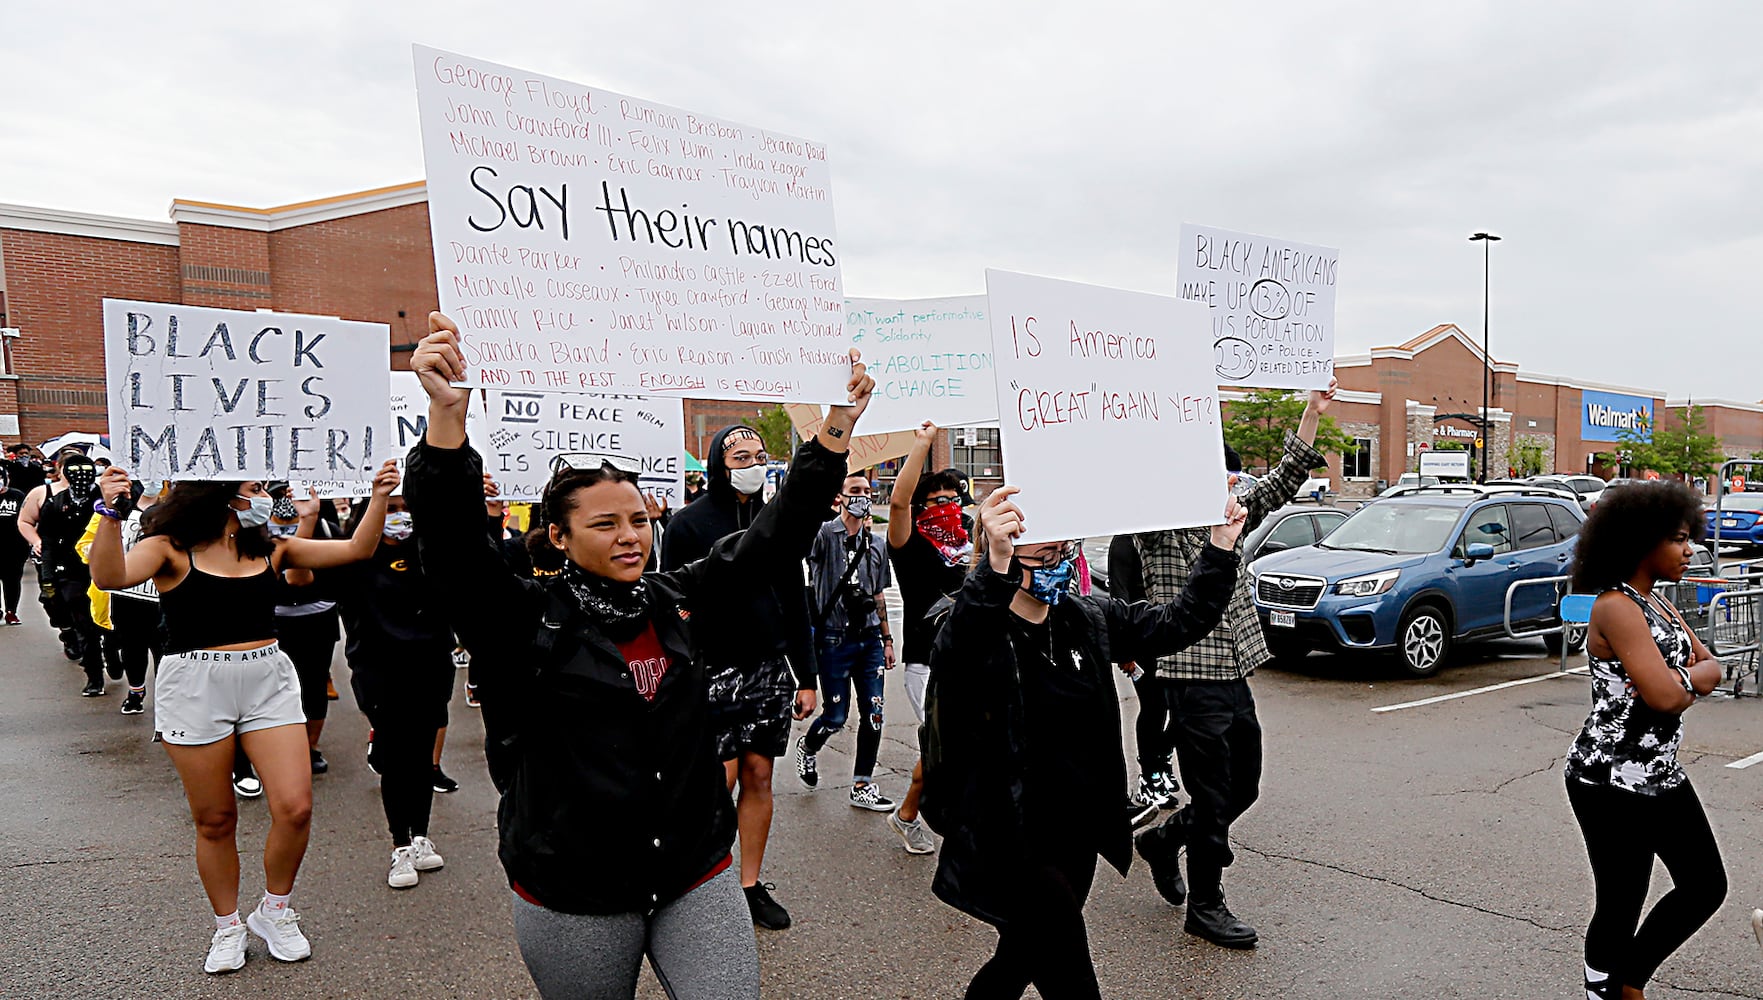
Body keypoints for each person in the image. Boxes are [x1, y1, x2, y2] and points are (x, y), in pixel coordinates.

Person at [401, 313, 871, 1000]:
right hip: (576, 888)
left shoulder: (673, 597)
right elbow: (450, 550)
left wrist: (835, 430)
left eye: (638, 521)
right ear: (557, 537)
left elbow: (774, 537)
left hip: (694, 869)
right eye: (604, 524)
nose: (630, 537)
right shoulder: (522, 619)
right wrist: (446, 423)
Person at [922, 486, 1244, 999]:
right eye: (1042, 555)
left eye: (1063, 552)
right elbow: (961, 649)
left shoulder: (1086, 618)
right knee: (1071, 975)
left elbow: (1176, 623)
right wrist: (996, 566)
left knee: (1022, 955)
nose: (1056, 565)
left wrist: (1220, 549)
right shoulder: (973, 624)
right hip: (1014, 837)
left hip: (1077, 832)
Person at [89, 459, 396, 974]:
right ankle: (227, 924)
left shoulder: (270, 546)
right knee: (215, 819)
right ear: (223, 495)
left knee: (296, 806)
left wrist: (380, 495)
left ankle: (274, 910)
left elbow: (356, 549)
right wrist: (110, 512)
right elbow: (109, 575)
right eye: (253, 488)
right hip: (194, 683)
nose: (264, 496)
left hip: (268, 677)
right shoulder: (169, 547)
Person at [1131, 379, 1336, 948]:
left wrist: (1311, 412)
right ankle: (1206, 904)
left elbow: (1284, 480)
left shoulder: (1229, 514)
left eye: (1227, 475)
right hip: (1190, 676)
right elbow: (1132, 488)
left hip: (1234, 671)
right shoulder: (1161, 526)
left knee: (1244, 786)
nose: (1230, 483)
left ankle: (1163, 838)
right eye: (1215, 473)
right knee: (1215, 796)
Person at [1565, 482, 1727, 1000]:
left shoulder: (1657, 604)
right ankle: (1605, 992)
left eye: (1689, 538)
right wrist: (1683, 680)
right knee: (1621, 900)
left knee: (1705, 886)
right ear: (1640, 540)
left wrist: (1683, 679)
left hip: (1659, 771)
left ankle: (1628, 981)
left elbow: (1711, 667)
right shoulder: (1615, 606)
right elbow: (1661, 696)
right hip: (1607, 776)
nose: (1689, 550)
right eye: (1678, 539)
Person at [659, 423, 818, 930]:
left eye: (758, 455)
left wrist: (807, 675)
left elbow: (796, 603)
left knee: (759, 774)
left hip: (769, 670)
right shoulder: (688, 524)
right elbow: (672, 601)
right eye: (740, 457)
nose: (752, 465)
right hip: (710, 670)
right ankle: (700, 880)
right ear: (718, 466)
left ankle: (749, 886)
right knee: (716, 781)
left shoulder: (780, 524)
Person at [333, 490, 456, 889]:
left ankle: (420, 835)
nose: (398, 517)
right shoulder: (355, 560)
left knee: (423, 760)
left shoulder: (429, 554)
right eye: (390, 508)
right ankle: (399, 844)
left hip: (430, 668)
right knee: (396, 759)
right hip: (381, 672)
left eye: (405, 509)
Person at [883, 422, 972, 855]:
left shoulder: (965, 542)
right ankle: (908, 814)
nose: (950, 506)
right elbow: (899, 501)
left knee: (955, 743)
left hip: (967, 658)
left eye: (955, 499)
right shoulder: (910, 543)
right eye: (940, 500)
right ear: (922, 508)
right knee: (944, 743)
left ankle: (913, 814)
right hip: (926, 662)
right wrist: (921, 445)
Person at [798, 471, 896, 811]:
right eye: (855, 490)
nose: (862, 496)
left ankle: (862, 784)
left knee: (874, 714)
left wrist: (887, 639)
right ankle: (809, 748)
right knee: (836, 716)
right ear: (839, 497)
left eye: (867, 490)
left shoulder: (876, 544)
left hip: (868, 638)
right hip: (834, 639)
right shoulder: (824, 536)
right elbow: (802, 542)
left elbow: (879, 592)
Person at [266, 482, 342, 774]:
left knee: (312, 685)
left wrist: (308, 520)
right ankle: (274, 746)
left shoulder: (325, 529)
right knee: (273, 688)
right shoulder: (254, 530)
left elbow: (300, 579)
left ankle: (309, 747)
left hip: (316, 620)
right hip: (271, 621)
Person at [1106, 533, 1178, 819]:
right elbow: (1119, 597)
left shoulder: (1167, 536)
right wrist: (1124, 649)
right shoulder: (1124, 541)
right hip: (1142, 640)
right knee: (1154, 707)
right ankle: (1149, 776)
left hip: (1170, 633)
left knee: (1182, 708)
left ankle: (1161, 760)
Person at [79, 479, 163, 714]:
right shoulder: (117, 507)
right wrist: (100, 553)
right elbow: (86, 545)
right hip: (127, 594)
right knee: (132, 648)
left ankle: (168, 700)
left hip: (164, 595)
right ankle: (136, 691)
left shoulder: (175, 508)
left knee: (165, 650)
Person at [38, 451, 106, 693]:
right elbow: (47, 541)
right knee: (84, 624)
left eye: (86, 473)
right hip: (70, 571)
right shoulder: (54, 505)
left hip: (103, 568)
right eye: (74, 473)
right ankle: (95, 676)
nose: (81, 479)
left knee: (109, 623)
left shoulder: (107, 500)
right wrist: (47, 576)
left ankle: (111, 653)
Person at [0, 466, 28, 625]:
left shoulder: (17, 495)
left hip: (15, 546)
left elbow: (26, 519)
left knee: (12, 580)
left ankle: (11, 611)